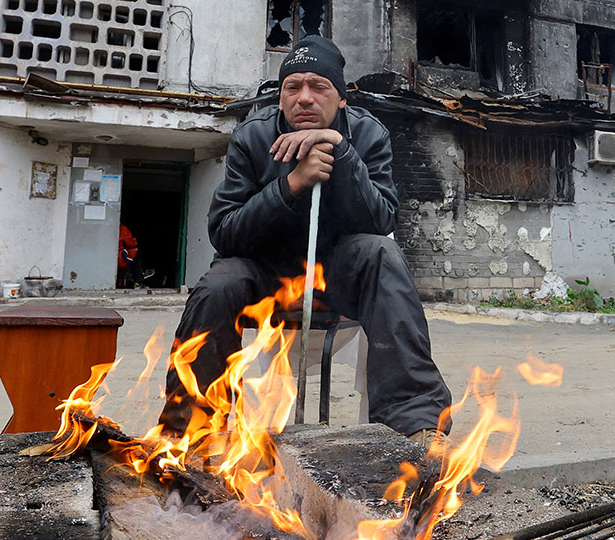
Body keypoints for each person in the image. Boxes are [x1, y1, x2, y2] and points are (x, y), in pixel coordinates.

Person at [159, 35, 452, 445]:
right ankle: (186, 432)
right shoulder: (252, 137)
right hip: (266, 274)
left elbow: (381, 218)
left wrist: (341, 153)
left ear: (342, 99)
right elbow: (225, 233)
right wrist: (291, 184)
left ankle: (417, 424)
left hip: (337, 275)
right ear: (280, 100)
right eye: (292, 88)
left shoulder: (369, 135)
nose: (305, 98)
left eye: (319, 86)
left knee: (381, 253)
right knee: (218, 283)